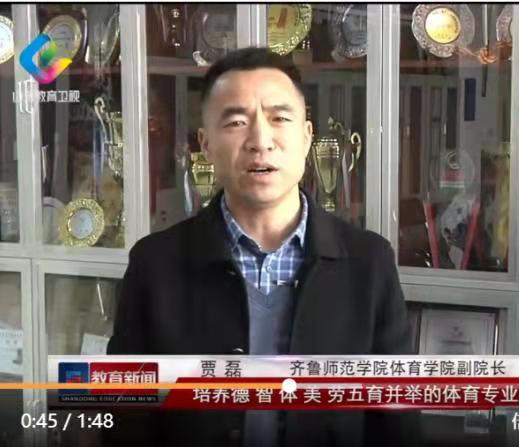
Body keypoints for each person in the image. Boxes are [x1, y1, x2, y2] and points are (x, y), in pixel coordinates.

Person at [107, 47, 417, 447]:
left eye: (279, 118)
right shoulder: (155, 264)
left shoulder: (369, 263)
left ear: (307, 136)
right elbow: (124, 416)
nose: (260, 141)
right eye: (236, 122)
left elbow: (396, 420)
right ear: (205, 144)